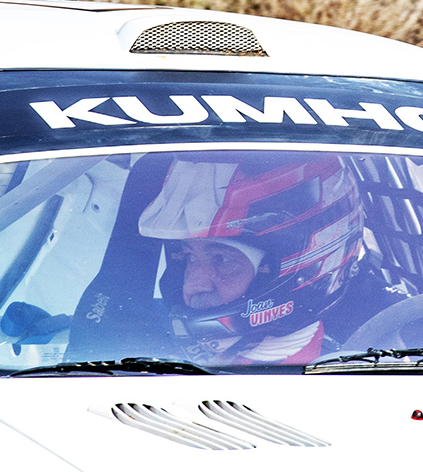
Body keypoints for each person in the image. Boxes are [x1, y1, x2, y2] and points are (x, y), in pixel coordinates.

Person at [138, 153, 364, 366]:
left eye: (222, 259)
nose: (192, 285)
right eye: (188, 257)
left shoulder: (362, 381)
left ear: (302, 263)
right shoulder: (133, 357)